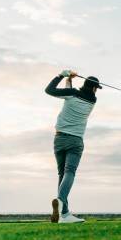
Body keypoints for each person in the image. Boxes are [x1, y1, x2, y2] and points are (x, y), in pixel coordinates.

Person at [45, 69, 102, 223]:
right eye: (97, 88)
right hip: (75, 141)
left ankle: (64, 214)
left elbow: (49, 90)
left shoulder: (71, 94)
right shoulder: (92, 101)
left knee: (61, 174)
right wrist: (69, 81)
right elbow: (70, 93)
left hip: (59, 139)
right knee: (69, 172)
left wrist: (62, 76)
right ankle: (61, 201)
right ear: (94, 89)